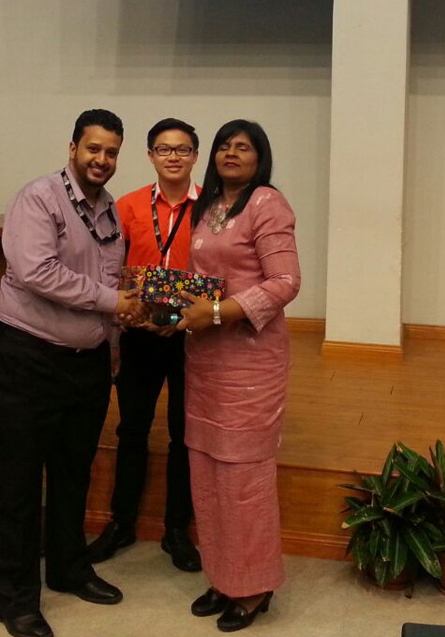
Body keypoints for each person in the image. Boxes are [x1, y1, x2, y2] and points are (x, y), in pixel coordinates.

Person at [0, 108, 143, 637]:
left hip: (86, 364)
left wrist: (113, 348)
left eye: (112, 152)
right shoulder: (39, 198)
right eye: (94, 148)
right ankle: (15, 598)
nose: (102, 160)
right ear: (72, 148)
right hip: (25, 356)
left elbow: (111, 283)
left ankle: (69, 568)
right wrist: (114, 303)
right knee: (16, 481)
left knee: (74, 474)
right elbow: (37, 271)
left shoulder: (110, 210)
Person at [176, 120, 301, 633]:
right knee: (207, 470)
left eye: (243, 147)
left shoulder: (267, 203)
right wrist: (174, 310)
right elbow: (205, 278)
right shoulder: (208, 207)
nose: (231, 153)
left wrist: (219, 312)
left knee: (243, 476)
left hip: (250, 360)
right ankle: (224, 577)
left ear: (259, 158)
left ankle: (255, 587)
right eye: (224, 145)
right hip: (206, 358)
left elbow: (286, 281)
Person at [88, 118, 203, 572]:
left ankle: (177, 529)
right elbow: (111, 267)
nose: (173, 156)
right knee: (131, 429)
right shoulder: (128, 205)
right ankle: (121, 523)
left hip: (191, 335)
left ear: (195, 156)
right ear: (151, 155)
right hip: (137, 332)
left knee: (184, 434)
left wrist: (181, 318)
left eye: (182, 149)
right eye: (164, 149)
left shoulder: (212, 210)